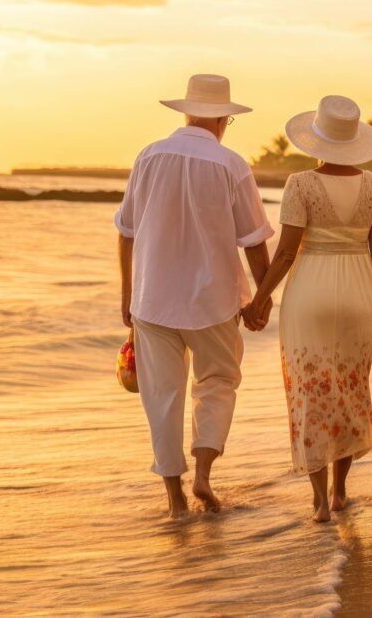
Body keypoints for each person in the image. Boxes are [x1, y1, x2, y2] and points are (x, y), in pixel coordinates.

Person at [115, 74, 274, 518]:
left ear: (186, 113)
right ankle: (204, 474)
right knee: (218, 384)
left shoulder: (149, 156)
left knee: (162, 395)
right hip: (214, 301)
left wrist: (127, 294)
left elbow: (126, 231)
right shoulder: (231, 164)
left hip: (153, 299)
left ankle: (174, 498)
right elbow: (254, 240)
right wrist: (261, 298)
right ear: (225, 119)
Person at [245, 95, 372, 523]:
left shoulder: (301, 184)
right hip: (360, 296)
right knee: (350, 390)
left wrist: (259, 300)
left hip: (310, 295)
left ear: (315, 141)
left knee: (310, 392)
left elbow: (284, 255)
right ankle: (339, 492)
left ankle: (318, 503)